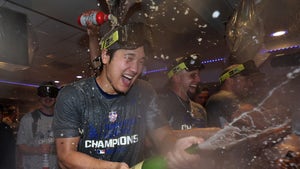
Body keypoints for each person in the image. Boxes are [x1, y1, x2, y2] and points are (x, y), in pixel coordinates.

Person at [53, 22, 204, 169]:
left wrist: (175, 146)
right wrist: (112, 167)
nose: (135, 69)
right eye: (129, 58)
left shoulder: (144, 92)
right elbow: (66, 156)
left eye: (141, 61)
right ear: (105, 56)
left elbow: (162, 135)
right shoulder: (74, 95)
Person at [205, 60, 262, 128]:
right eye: (246, 79)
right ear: (230, 81)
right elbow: (260, 120)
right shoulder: (223, 97)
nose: (250, 84)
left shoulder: (219, 98)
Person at [16, 81, 60, 169]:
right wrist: (37, 150)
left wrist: (53, 149)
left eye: (52, 94)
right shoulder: (28, 119)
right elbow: (21, 146)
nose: (48, 97)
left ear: (56, 98)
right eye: (44, 94)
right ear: (39, 97)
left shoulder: (62, 120)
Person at [158, 54, 207, 130]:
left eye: (198, 75)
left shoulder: (199, 110)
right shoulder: (159, 107)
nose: (198, 80)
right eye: (193, 75)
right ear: (176, 77)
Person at [0, 104, 16, 169]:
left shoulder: (5, 126)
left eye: (0, 113)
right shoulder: (6, 121)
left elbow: (11, 147)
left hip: (5, 161)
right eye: (14, 112)